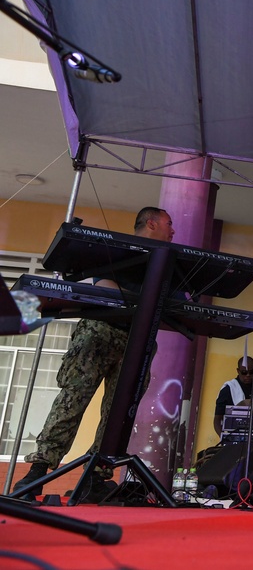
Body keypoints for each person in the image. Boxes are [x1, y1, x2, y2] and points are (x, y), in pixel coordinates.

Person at [14, 207, 175, 501]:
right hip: (100, 331)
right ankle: (37, 472)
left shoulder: (169, 264)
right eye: (168, 223)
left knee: (119, 413)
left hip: (137, 340)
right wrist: (140, 304)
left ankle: (96, 477)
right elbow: (105, 288)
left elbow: (178, 300)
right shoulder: (115, 250)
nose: (173, 230)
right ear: (151, 223)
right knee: (73, 399)